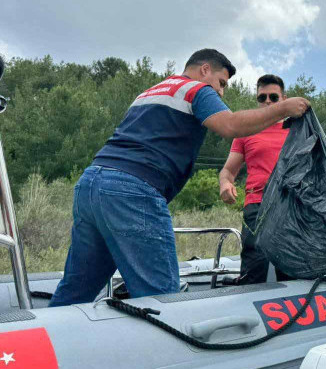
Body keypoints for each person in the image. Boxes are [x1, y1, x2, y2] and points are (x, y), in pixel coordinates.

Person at [49, 50, 310, 306]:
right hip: (133, 190)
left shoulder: (150, 92)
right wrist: (284, 108)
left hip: (91, 183)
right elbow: (230, 125)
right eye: (221, 83)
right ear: (205, 69)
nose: (220, 92)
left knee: (76, 289)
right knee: (163, 298)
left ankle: (50, 341)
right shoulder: (196, 89)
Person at [218, 74, 291, 283]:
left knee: (291, 269)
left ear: (284, 100)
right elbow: (228, 171)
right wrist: (225, 183)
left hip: (291, 207)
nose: (268, 101)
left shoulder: (297, 130)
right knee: (254, 267)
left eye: (273, 97)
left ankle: (296, 314)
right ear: (257, 99)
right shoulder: (245, 131)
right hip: (256, 206)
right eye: (262, 97)